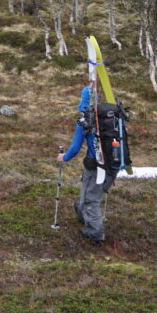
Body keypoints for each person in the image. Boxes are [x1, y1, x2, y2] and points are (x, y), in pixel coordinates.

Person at [58, 86, 113, 243]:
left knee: (91, 199)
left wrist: (64, 157)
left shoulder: (85, 121)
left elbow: (75, 148)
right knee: (92, 194)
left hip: (96, 165)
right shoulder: (109, 117)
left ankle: (96, 232)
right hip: (113, 164)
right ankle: (84, 215)